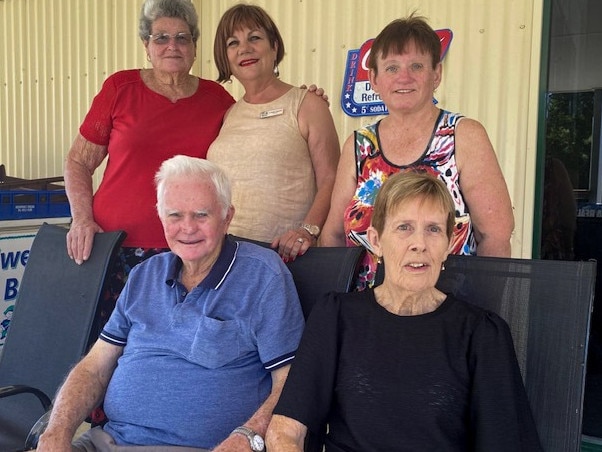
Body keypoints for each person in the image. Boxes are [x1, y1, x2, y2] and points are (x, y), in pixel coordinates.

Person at [38, 156, 305, 451]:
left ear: (227, 216)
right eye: (175, 215)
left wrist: (248, 436)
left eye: (201, 215)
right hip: (107, 442)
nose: (187, 228)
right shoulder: (144, 275)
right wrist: (57, 431)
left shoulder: (263, 275)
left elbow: (292, 381)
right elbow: (94, 367)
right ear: (161, 217)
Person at [266, 171, 541, 451]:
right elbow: (285, 432)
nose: (419, 244)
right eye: (404, 227)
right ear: (376, 240)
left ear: (448, 244)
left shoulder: (481, 334)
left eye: (433, 229)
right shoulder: (336, 317)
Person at [319, 14, 514, 289]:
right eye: (391, 68)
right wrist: (336, 306)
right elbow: (334, 236)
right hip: (366, 309)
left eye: (416, 66)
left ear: (436, 74)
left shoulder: (464, 135)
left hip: (447, 311)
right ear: (373, 79)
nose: (404, 77)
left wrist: (483, 316)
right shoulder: (358, 144)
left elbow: (495, 236)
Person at [207, 4, 340, 262]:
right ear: (226, 58)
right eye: (233, 43)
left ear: (274, 47)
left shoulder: (307, 104)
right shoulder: (229, 113)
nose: (244, 48)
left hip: (284, 257)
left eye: (254, 38)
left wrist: (308, 231)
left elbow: (331, 178)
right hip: (225, 256)